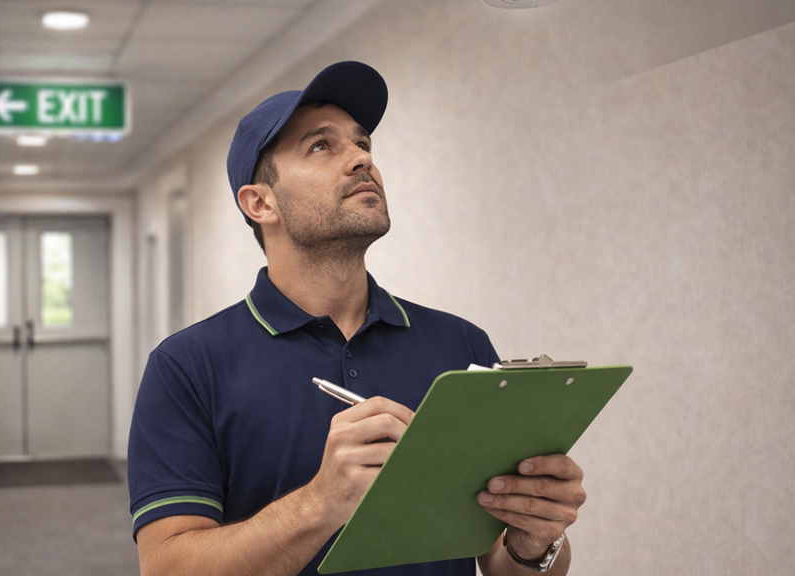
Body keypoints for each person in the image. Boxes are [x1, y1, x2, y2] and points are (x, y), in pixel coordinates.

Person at [128, 61, 587, 576]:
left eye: (363, 144)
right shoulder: (188, 366)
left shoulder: (461, 347)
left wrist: (535, 541)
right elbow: (166, 567)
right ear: (261, 203)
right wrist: (320, 503)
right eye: (321, 146)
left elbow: (499, 562)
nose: (360, 160)